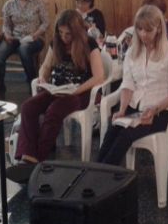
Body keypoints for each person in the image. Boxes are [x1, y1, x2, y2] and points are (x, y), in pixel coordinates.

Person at [14, 9, 105, 164]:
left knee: (54, 110)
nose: (64, 37)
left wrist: (77, 90)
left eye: (68, 34)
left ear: (76, 32)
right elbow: (46, 67)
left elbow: (99, 76)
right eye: (61, 32)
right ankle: (27, 154)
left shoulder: (89, 43)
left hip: (80, 92)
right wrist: (42, 77)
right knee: (28, 107)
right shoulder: (56, 42)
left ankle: (38, 157)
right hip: (57, 89)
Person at [96, 5, 168, 165]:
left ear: (158, 29)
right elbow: (127, 84)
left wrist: (154, 109)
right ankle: (97, 172)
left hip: (160, 112)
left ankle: (102, 179)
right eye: (140, 29)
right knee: (112, 130)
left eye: (148, 30)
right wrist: (122, 110)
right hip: (134, 107)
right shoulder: (132, 51)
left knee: (125, 135)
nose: (143, 34)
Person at [0, 0, 49, 91]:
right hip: (15, 37)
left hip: (34, 38)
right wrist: (7, 34)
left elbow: (46, 22)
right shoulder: (8, 5)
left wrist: (37, 34)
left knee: (24, 49)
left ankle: (33, 83)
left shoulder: (37, 2)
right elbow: (6, 25)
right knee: (0, 52)